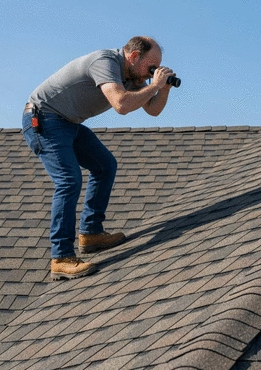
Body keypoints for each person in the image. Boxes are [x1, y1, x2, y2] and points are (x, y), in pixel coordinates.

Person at [22, 36, 176, 280]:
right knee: (68, 180)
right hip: (45, 120)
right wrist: (154, 86)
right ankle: (61, 257)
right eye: (151, 67)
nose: (151, 73)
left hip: (68, 123)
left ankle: (91, 233)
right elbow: (122, 105)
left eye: (155, 70)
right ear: (134, 56)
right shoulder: (105, 62)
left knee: (105, 165)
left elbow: (153, 110)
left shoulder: (131, 75)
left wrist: (162, 89)